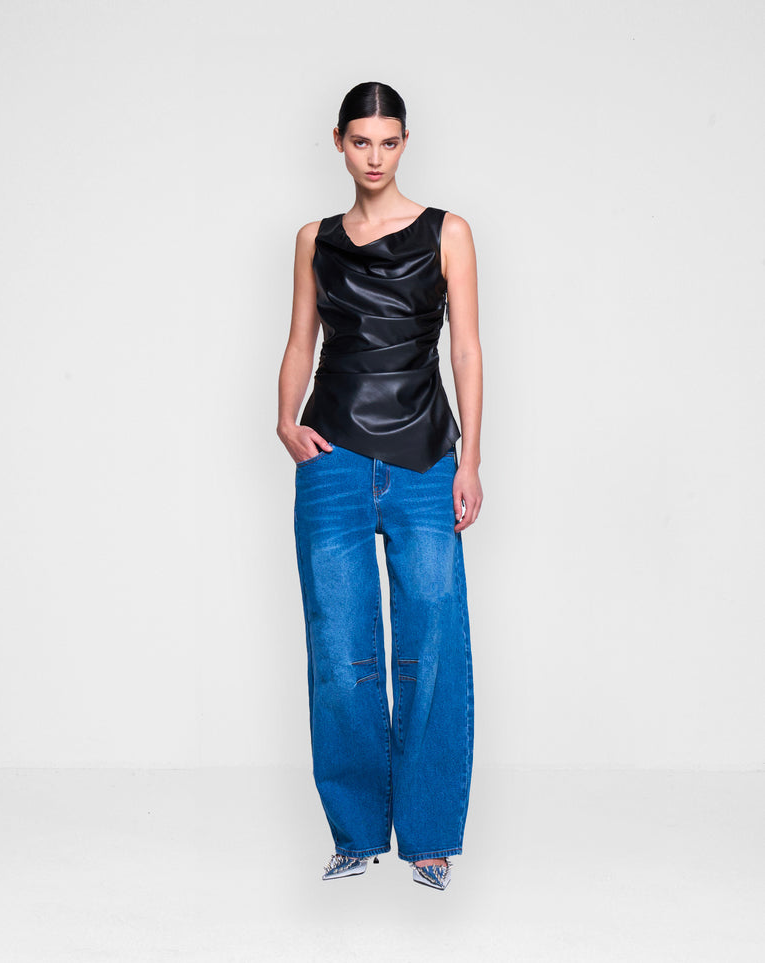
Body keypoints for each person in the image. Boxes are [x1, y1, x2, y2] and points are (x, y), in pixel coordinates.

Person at [276, 81, 483, 891]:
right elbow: (302, 340)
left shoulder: (448, 232)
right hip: (332, 457)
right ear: (339, 142)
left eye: (388, 142)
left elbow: (465, 349)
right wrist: (284, 420)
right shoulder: (314, 239)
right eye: (360, 141)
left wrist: (472, 460)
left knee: (431, 642)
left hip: (426, 455)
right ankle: (356, 832)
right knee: (338, 650)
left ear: (404, 143)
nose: (374, 157)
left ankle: (429, 837)